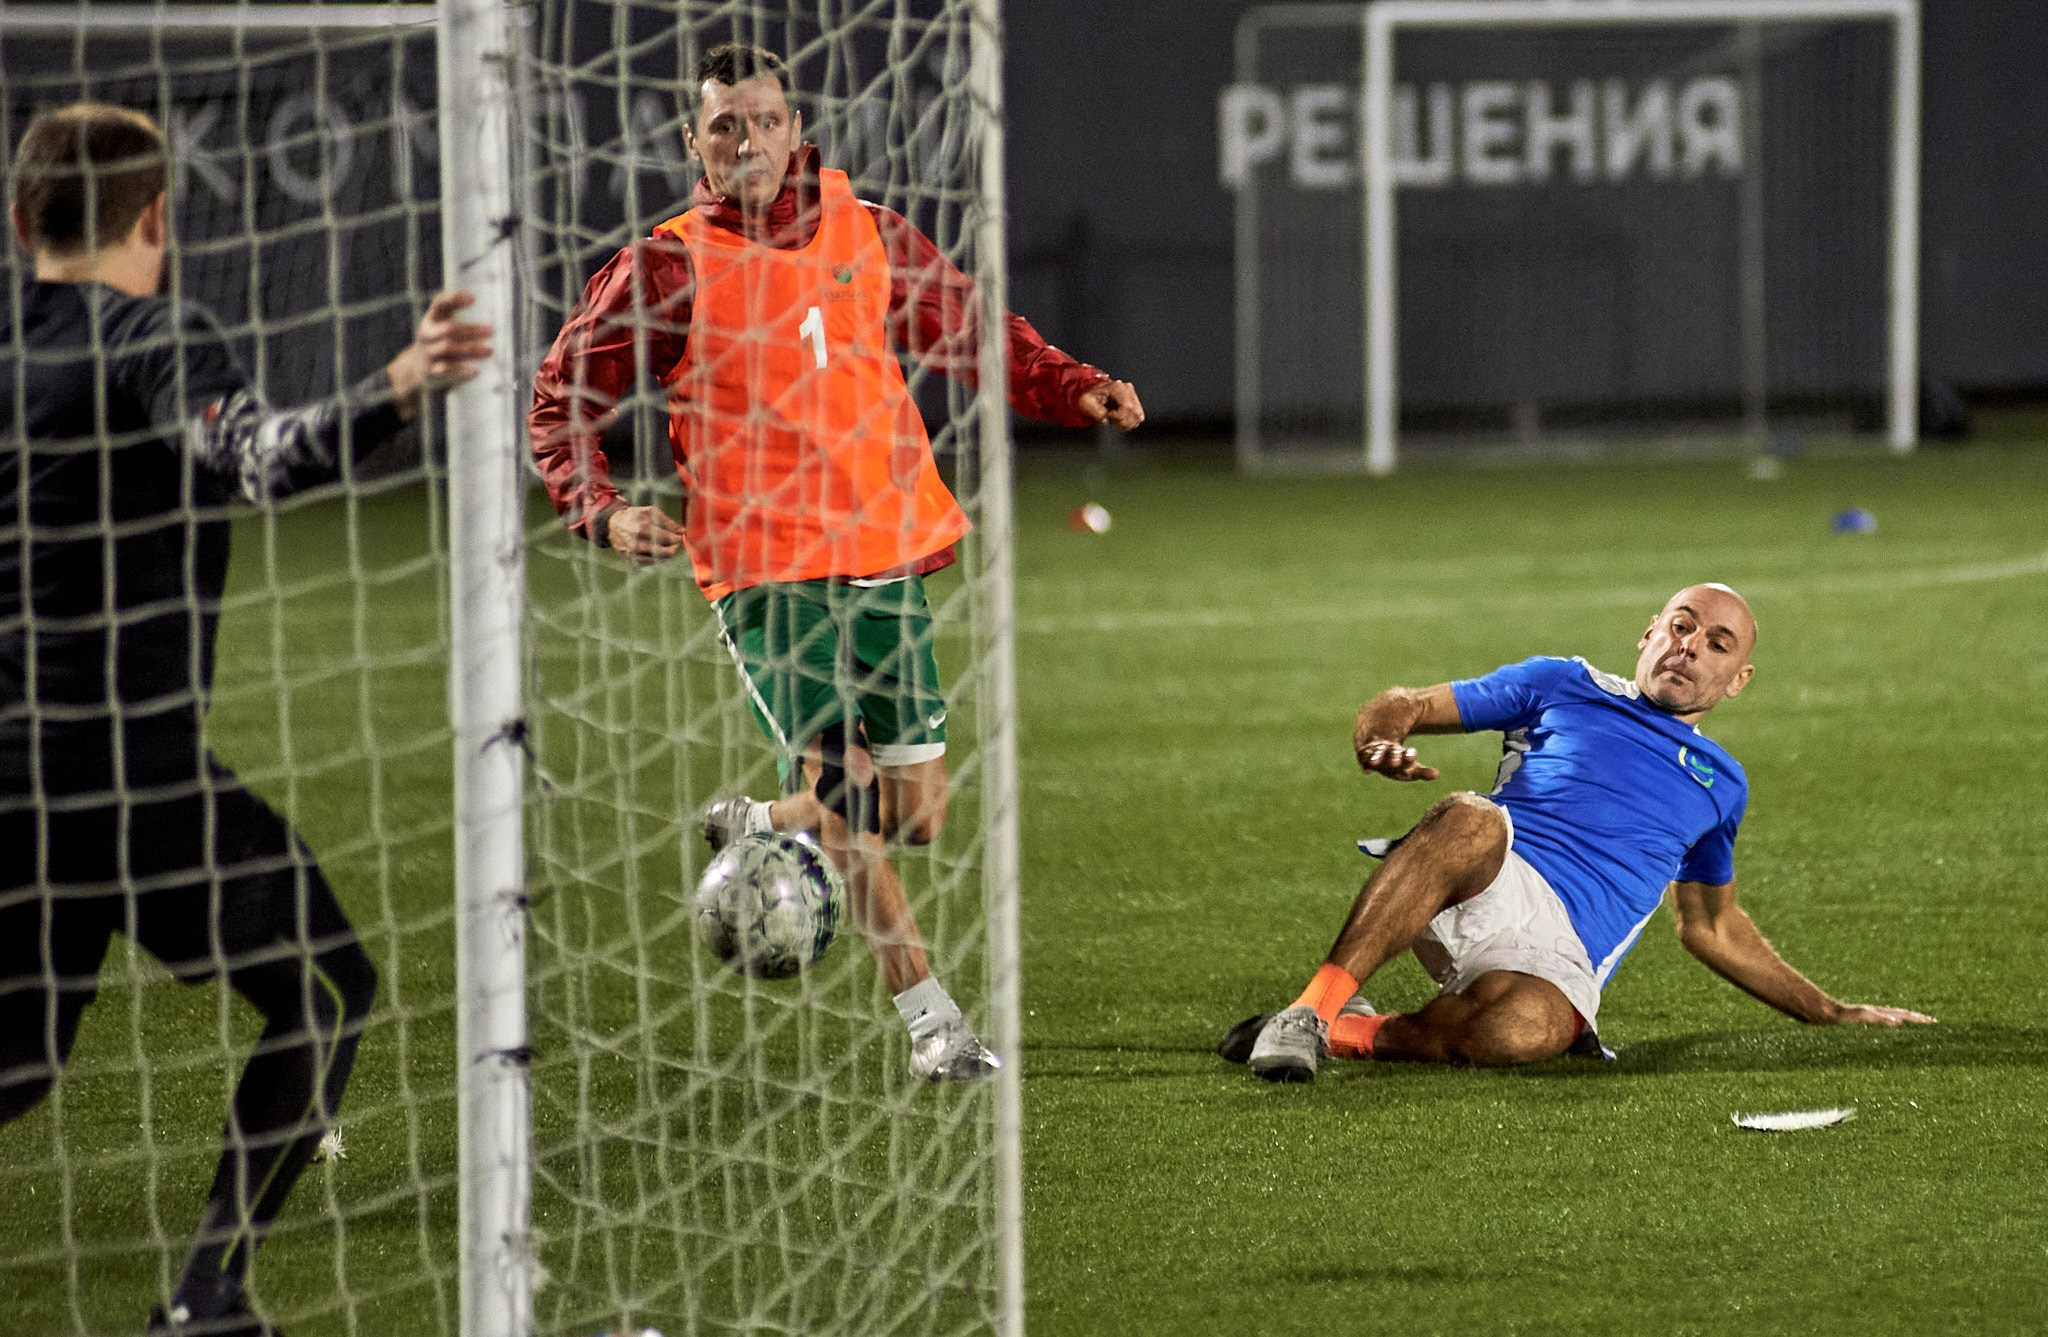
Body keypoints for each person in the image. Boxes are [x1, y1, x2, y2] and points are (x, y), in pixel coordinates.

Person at [529, 43, 1144, 1082]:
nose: (745, 141)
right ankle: (933, 1023)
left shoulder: (866, 231)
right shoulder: (665, 265)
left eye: (761, 120)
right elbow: (560, 400)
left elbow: (970, 331)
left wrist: (1068, 383)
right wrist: (601, 508)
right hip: (763, 567)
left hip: (882, 551)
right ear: (694, 143)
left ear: (792, 125)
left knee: (917, 812)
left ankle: (760, 819)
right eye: (722, 125)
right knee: (852, 800)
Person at [0, 103, 492, 1337]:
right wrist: (398, 385)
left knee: (23, 1058)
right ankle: (203, 1313)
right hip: (127, 768)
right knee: (328, 987)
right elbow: (261, 458)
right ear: (158, 217)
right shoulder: (158, 335)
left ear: (20, 224)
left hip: (9, 775)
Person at [1225, 584, 1934, 1083]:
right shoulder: (1562, 682)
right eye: (1681, 626)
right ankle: (1307, 1012)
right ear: (1648, 632)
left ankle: (1349, 1030)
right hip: (1489, 872)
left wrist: (1829, 1012)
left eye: (1716, 643)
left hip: (1563, 951)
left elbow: (1711, 926)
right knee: (1468, 816)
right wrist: (1378, 739)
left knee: (1513, 1036)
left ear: (1738, 678)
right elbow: (1403, 703)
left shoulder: (1722, 783)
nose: (1690, 647)